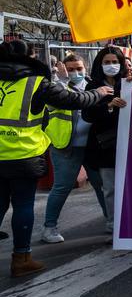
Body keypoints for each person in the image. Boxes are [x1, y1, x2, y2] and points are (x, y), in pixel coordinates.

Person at [0, 41, 111, 275]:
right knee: (22, 205)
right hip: (23, 154)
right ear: (29, 58)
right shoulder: (37, 84)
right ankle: (21, 259)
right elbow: (76, 101)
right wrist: (99, 92)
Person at [41, 54, 108, 244]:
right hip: (66, 147)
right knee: (62, 187)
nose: (76, 72)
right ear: (63, 69)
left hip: (92, 146)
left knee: (101, 186)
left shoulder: (93, 85)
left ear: (85, 66)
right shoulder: (58, 88)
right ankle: (49, 227)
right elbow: (60, 100)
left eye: (79, 68)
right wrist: (61, 80)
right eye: (70, 69)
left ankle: (111, 221)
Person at [82, 47, 130, 241]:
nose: (111, 66)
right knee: (109, 187)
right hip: (105, 146)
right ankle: (113, 223)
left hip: (130, 143)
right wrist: (108, 105)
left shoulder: (129, 83)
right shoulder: (92, 86)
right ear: (100, 65)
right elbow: (87, 114)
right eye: (107, 62)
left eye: (115, 62)